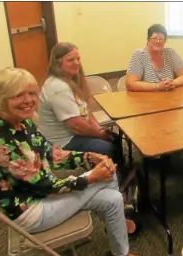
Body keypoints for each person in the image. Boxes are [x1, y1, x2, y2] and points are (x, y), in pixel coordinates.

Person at [0, 68, 141, 256]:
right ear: (1, 97)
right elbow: (46, 185)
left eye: (31, 94)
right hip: (31, 210)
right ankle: (121, 222)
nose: (28, 101)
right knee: (106, 178)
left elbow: (52, 154)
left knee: (113, 199)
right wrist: (91, 177)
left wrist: (89, 157)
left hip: (43, 194)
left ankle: (121, 250)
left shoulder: (23, 122)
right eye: (19, 95)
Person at [38, 43, 123, 172]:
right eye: (70, 60)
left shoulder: (70, 79)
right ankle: (116, 177)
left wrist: (98, 129)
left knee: (115, 138)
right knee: (108, 146)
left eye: (78, 58)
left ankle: (121, 172)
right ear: (58, 63)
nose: (76, 63)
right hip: (63, 142)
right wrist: (100, 135)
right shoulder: (58, 87)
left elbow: (86, 110)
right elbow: (76, 126)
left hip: (73, 134)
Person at [125, 24, 183, 92]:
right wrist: (158, 86)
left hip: (169, 98)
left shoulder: (170, 52)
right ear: (148, 40)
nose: (158, 41)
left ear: (165, 41)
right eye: (154, 38)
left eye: (161, 39)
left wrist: (172, 83)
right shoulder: (139, 55)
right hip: (146, 99)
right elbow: (130, 84)